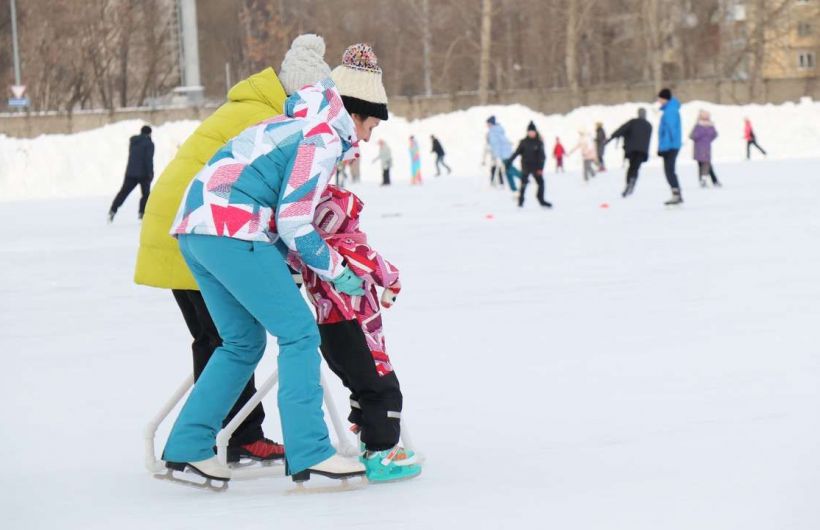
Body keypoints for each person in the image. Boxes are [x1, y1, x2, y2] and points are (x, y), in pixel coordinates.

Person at [160, 42, 390, 484]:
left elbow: (275, 205)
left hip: (196, 227)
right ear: (356, 112)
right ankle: (310, 451)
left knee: (242, 342)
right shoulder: (322, 136)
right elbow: (295, 220)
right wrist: (336, 271)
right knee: (300, 333)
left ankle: (189, 443)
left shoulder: (295, 122)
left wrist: (291, 264)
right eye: (372, 125)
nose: (367, 138)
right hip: (231, 228)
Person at [134, 34, 332, 467]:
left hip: (184, 224)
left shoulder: (255, 105)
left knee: (230, 337)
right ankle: (237, 435)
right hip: (205, 226)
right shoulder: (272, 120)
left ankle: (219, 436)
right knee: (230, 337)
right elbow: (273, 190)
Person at [286, 185, 421, 483]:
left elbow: (292, 268)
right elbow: (382, 269)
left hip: (329, 333)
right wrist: (393, 285)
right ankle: (382, 452)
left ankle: (365, 432)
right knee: (383, 387)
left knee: (359, 385)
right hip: (357, 326)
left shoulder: (309, 251)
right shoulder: (347, 245)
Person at [108, 125, 154, 222]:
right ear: (149, 133)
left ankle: (113, 210)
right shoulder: (149, 144)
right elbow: (148, 160)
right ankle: (142, 213)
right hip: (144, 174)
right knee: (146, 195)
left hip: (131, 173)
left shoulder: (133, 142)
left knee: (123, 193)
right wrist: (150, 173)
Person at [607, 108, 653, 197]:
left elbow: (622, 130)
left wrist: (611, 138)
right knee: (635, 167)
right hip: (642, 151)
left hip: (631, 149)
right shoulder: (649, 125)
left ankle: (629, 183)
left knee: (631, 167)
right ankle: (632, 181)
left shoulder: (633, 122)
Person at [508, 121, 552, 208]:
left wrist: (540, 168)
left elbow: (542, 157)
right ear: (527, 132)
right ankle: (520, 201)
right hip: (526, 166)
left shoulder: (539, 143)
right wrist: (510, 161)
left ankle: (541, 199)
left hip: (536, 167)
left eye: (533, 132)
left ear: (535, 132)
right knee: (523, 184)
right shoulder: (523, 142)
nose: (531, 133)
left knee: (541, 183)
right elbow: (516, 153)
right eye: (530, 132)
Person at [657, 87, 683, 205]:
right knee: (669, 171)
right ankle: (676, 193)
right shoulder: (669, 109)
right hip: (670, 145)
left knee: (669, 171)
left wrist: (666, 147)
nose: (658, 101)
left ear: (664, 98)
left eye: (660, 98)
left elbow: (671, 129)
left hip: (670, 146)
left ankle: (676, 194)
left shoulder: (670, 111)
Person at [486, 116, 519, 191]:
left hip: (502, 154)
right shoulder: (497, 130)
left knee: (508, 168)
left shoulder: (493, 132)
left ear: (491, 123)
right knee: (504, 168)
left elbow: (496, 145)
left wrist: (496, 156)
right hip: (503, 153)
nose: (487, 125)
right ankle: (507, 185)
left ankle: (523, 177)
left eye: (488, 123)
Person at [690, 110, 720, 187]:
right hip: (703, 147)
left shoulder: (699, 126)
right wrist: (708, 139)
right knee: (705, 163)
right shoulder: (709, 126)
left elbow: (692, 136)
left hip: (701, 147)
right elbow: (714, 134)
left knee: (705, 164)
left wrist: (701, 137)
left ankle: (703, 179)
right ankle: (711, 180)